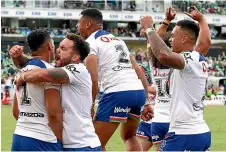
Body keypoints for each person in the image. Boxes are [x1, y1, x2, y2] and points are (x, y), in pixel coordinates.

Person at [77, 8, 153, 150]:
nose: (77, 27)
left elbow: (92, 78)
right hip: (137, 92)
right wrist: (147, 101)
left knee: (94, 144)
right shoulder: (118, 40)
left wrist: (90, 105)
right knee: (130, 136)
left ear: (87, 24)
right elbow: (138, 70)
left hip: (117, 92)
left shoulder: (90, 43)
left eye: (78, 23)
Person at [11, 33, 101, 151]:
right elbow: (39, 65)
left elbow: (42, 73)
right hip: (60, 142)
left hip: (82, 144)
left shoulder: (78, 69)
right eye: (58, 46)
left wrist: (21, 76)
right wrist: (18, 58)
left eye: (63, 48)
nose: (57, 50)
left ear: (75, 57)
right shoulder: (54, 70)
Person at [140, 6, 211, 151]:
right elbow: (204, 43)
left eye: (173, 36)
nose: (170, 40)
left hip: (184, 133)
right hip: (197, 130)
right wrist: (202, 20)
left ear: (184, 39)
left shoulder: (187, 60)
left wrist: (149, 28)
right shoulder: (196, 58)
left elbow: (162, 54)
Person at [11, 29, 63, 151]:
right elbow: (54, 114)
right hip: (43, 139)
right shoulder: (48, 72)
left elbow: (15, 112)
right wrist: (61, 138)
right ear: (49, 46)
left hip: (19, 136)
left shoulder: (21, 72)